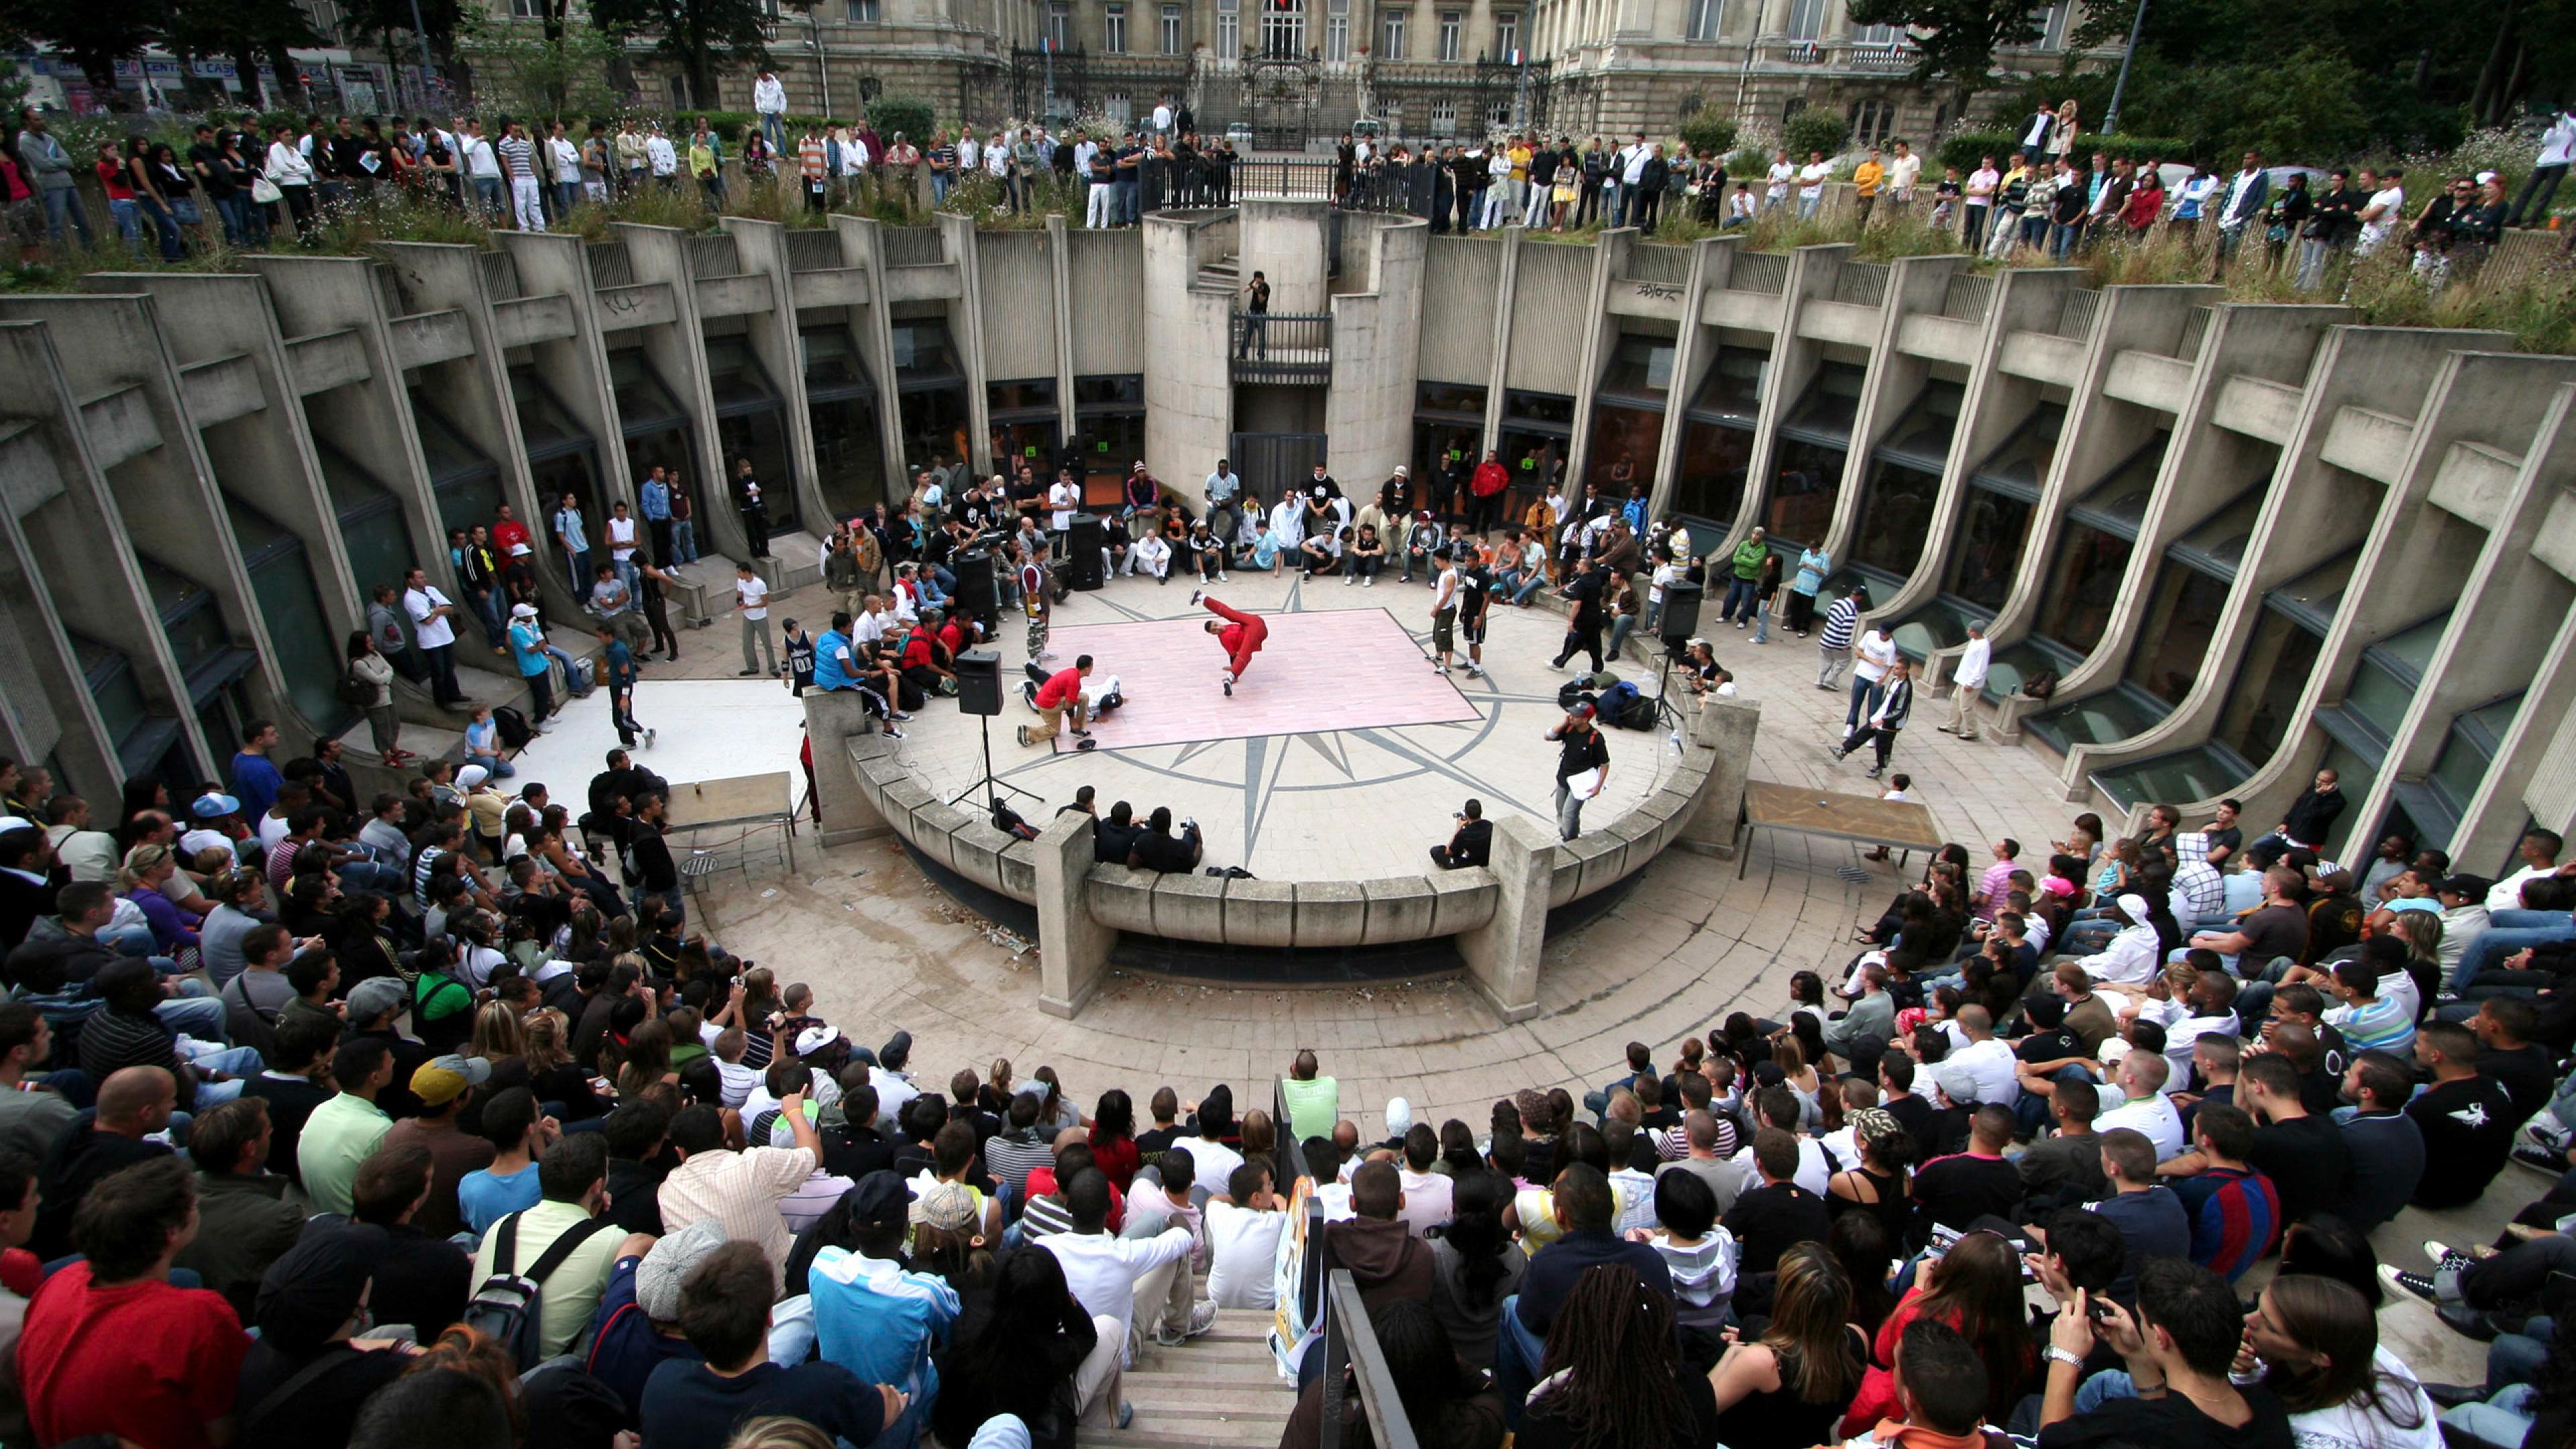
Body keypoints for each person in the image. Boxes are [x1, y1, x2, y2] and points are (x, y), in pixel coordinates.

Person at [641, 1239, 903, 1446]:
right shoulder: (823, 1388)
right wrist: (890, 1396)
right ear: (769, 1316)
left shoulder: (662, 1384)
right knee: (903, 1418)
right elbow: (886, 1410)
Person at [2036, 1257, 2294, 1448]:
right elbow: (2170, 1413)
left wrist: (2064, 1357)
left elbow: (2052, 1441)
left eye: (2143, 1319)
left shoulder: (2128, 1423)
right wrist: (2136, 1355)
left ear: (2161, 1337)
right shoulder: (2267, 1407)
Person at [1546, 704, 1610, 842]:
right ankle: (1566, 834)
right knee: (1560, 810)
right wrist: (1564, 723)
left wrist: (1598, 786)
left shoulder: (1596, 738)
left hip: (1581, 783)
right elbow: (1548, 736)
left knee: (1569, 814)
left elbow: (1605, 764)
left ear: (1585, 720)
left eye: (1576, 716)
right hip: (1564, 777)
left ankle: (1570, 840)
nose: (1571, 717)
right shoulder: (1569, 729)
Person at [1193, 590, 1267, 695]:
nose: (1218, 627)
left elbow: (1224, 611)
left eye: (1216, 625)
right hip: (1253, 633)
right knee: (1245, 652)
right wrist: (1234, 667)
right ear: (1214, 634)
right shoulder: (1224, 639)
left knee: (1230, 613)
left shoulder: (1227, 627)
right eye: (1215, 630)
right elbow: (1233, 655)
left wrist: (1234, 669)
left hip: (1254, 622)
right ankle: (1231, 678)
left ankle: (1202, 597)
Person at [1431, 798, 1494, 869]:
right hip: (1486, 858)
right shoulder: (1490, 825)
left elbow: (1448, 852)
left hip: (1471, 862)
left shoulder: (1464, 834)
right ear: (1481, 811)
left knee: (1436, 851)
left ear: (1467, 815)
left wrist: (1458, 829)